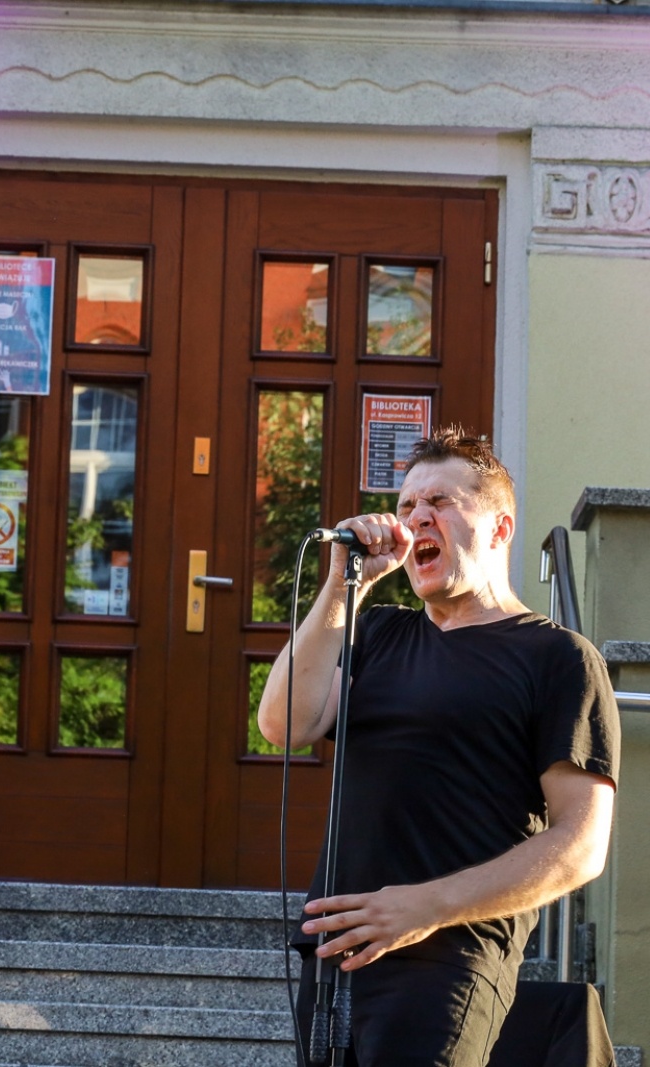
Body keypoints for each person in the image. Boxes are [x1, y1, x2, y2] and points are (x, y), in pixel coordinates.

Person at [256, 426, 620, 1067]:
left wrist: (424, 906)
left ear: (500, 529)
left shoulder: (556, 656)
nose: (417, 516)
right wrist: (344, 584)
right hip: (336, 953)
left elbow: (581, 846)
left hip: (448, 957)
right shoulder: (376, 631)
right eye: (406, 505)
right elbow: (284, 724)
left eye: (441, 502)